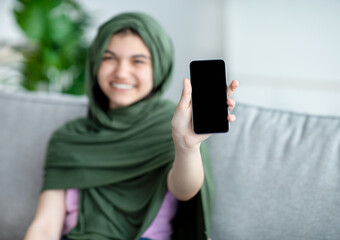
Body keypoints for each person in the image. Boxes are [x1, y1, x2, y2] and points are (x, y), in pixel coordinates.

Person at [24, 12, 239, 240]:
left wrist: (185, 146)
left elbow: (184, 191)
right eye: (109, 58)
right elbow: (44, 226)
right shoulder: (68, 137)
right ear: (95, 63)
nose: (121, 72)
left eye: (138, 61)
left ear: (159, 67)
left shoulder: (177, 122)